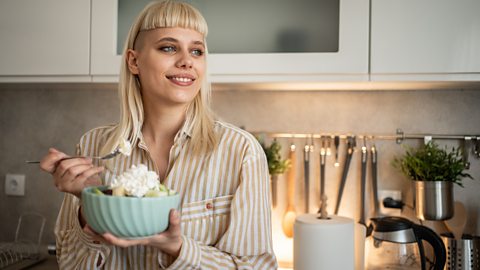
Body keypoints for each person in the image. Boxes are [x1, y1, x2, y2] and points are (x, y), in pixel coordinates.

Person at [39, 1, 277, 269]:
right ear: (134, 61)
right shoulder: (94, 145)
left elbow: (258, 266)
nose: (187, 61)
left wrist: (177, 248)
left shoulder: (240, 151)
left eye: (197, 51)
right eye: (168, 47)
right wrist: (90, 205)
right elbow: (69, 262)